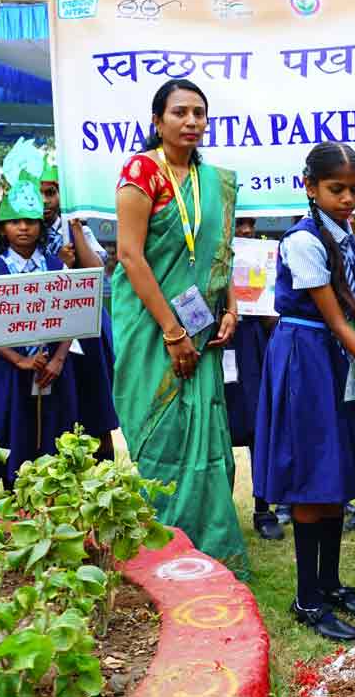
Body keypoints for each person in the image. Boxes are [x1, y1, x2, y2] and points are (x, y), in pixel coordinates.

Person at [254, 142, 355, 642]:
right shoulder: (303, 241)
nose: (346, 198)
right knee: (310, 470)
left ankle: (331, 582)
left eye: (354, 189)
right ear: (310, 187)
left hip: (338, 356)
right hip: (307, 355)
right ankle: (306, 597)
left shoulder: (347, 237)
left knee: (338, 466)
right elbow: (338, 322)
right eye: (336, 189)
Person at [112, 79, 248, 568]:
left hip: (204, 326)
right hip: (150, 327)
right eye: (180, 113)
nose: (191, 122)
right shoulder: (141, 171)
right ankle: (162, 546)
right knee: (163, 431)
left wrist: (230, 309)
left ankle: (208, 546)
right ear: (158, 121)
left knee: (207, 432)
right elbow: (130, 255)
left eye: (199, 113)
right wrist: (173, 332)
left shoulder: (212, 180)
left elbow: (219, 255)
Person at [0, 169, 81, 497]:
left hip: (51, 368)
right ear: (3, 228)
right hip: (9, 370)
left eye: (31, 221)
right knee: (4, 429)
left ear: (41, 226)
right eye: (15, 221)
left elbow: (72, 316)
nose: (24, 228)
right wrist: (18, 360)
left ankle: (48, 500)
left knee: (51, 432)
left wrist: (60, 359)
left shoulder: (56, 267)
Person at [40, 158, 118, 460]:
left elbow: (97, 271)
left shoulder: (76, 229)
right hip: (46, 329)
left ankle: (103, 469)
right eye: (40, 193)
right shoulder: (25, 231)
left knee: (93, 401)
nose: (46, 201)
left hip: (85, 329)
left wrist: (75, 226)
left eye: (53, 192)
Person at [225, 216, 283, 541]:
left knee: (258, 427)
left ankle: (264, 510)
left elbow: (273, 321)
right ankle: (221, 511)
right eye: (238, 224)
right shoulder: (205, 256)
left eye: (250, 223)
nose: (245, 230)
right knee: (217, 433)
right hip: (217, 347)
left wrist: (264, 305)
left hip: (251, 348)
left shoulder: (261, 257)